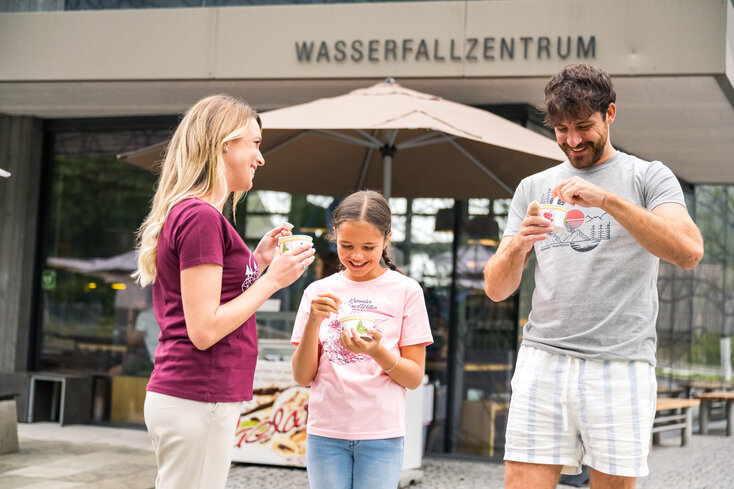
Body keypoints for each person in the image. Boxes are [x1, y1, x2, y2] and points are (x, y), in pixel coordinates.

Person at [483, 64, 703, 489]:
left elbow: (689, 251)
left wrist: (609, 200)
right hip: (542, 359)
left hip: (620, 363)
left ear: (610, 114)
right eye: (562, 129)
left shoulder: (648, 176)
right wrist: (517, 245)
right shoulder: (533, 187)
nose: (573, 140)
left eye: (584, 126)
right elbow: (496, 289)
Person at [133, 94, 315, 489]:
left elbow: (209, 304)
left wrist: (258, 262)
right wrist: (272, 281)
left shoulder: (194, 213)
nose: (260, 158)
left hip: (194, 395)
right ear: (224, 144)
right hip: (199, 394)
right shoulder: (200, 217)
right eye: (255, 143)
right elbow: (204, 329)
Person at [290, 190, 433, 489]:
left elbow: (414, 377)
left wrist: (377, 351)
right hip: (325, 433)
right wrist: (314, 320)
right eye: (346, 245)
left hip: (382, 434)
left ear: (386, 239)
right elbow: (303, 376)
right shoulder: (317, 292)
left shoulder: (407, 291)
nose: (356, 256)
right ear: (334, 239)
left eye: (368, 246)